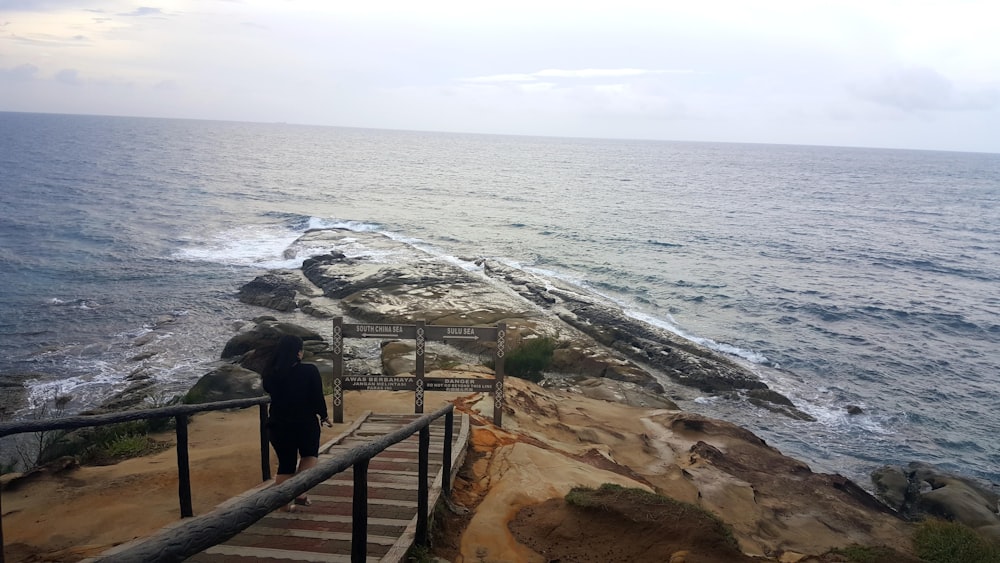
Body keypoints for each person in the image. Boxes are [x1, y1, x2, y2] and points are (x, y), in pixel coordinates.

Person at [263, 334, 330, 511]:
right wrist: (323, 416)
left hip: (278, 424)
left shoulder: (270, 372)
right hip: (305, 424)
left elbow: (269, 390)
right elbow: (317, 397)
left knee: (285, 465)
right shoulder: (309, 371)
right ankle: (300, 493)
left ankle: (284, 504)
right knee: (309, 456)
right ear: (298, 353)